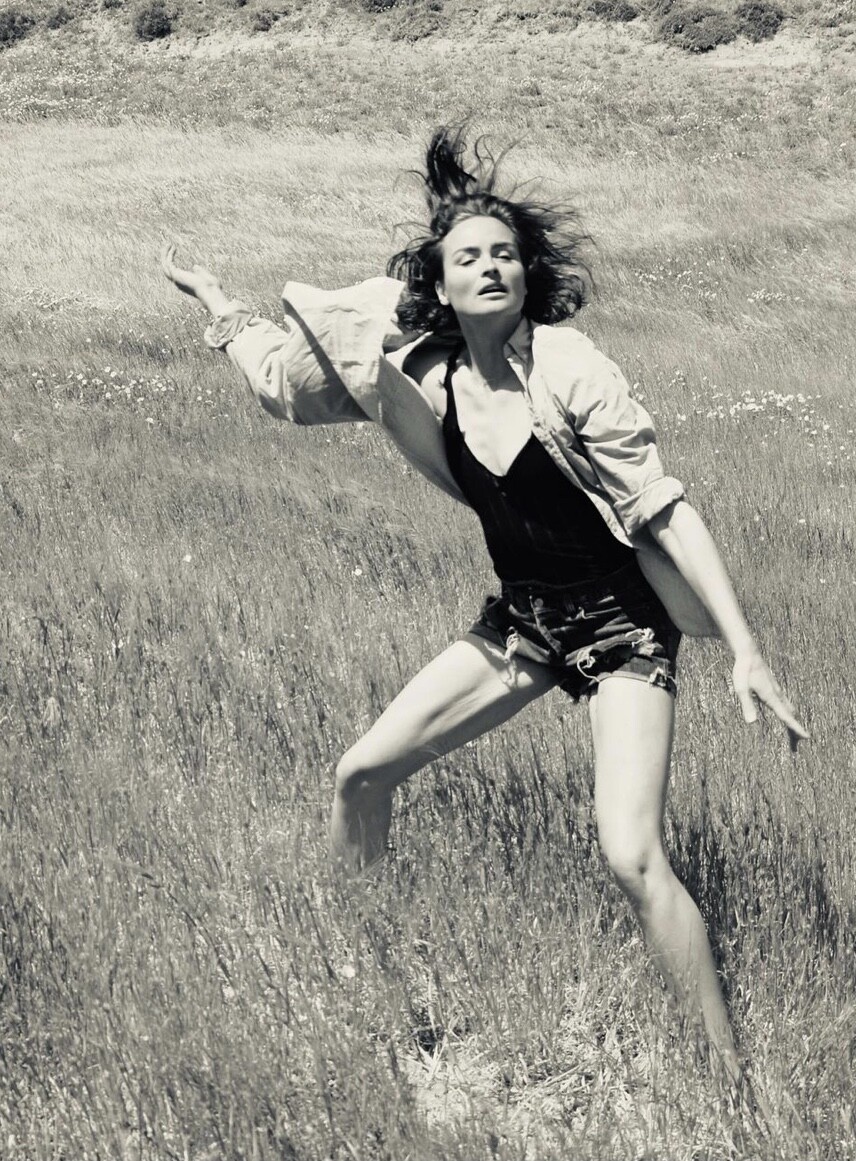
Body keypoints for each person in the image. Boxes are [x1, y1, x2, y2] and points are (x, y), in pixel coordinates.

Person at [162, 126, 806, 1088]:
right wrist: (220, 306)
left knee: (631, 855)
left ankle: (731, 1084)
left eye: (505, 252)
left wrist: (746, 650)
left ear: (525, 273)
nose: (490, 266)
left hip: (623, 627)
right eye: (468, 256)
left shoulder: (570, 368)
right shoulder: (421, 373)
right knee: (360, 775)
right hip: (525, 622)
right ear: (441, 282)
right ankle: (366, 983)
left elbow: (664, 507)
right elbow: (283, 385)